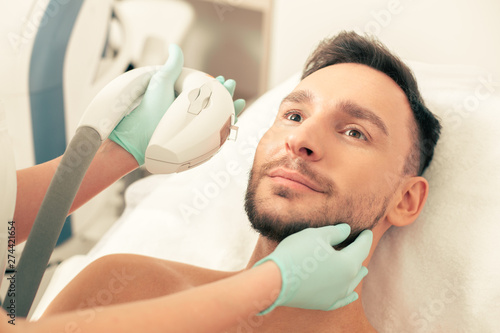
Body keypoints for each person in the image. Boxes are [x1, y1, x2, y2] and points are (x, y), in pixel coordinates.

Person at [41, 31, 442, 332]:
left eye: (354, 132)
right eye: (294, 116)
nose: (300, 140)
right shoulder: (122, 288)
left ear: (405, 200)